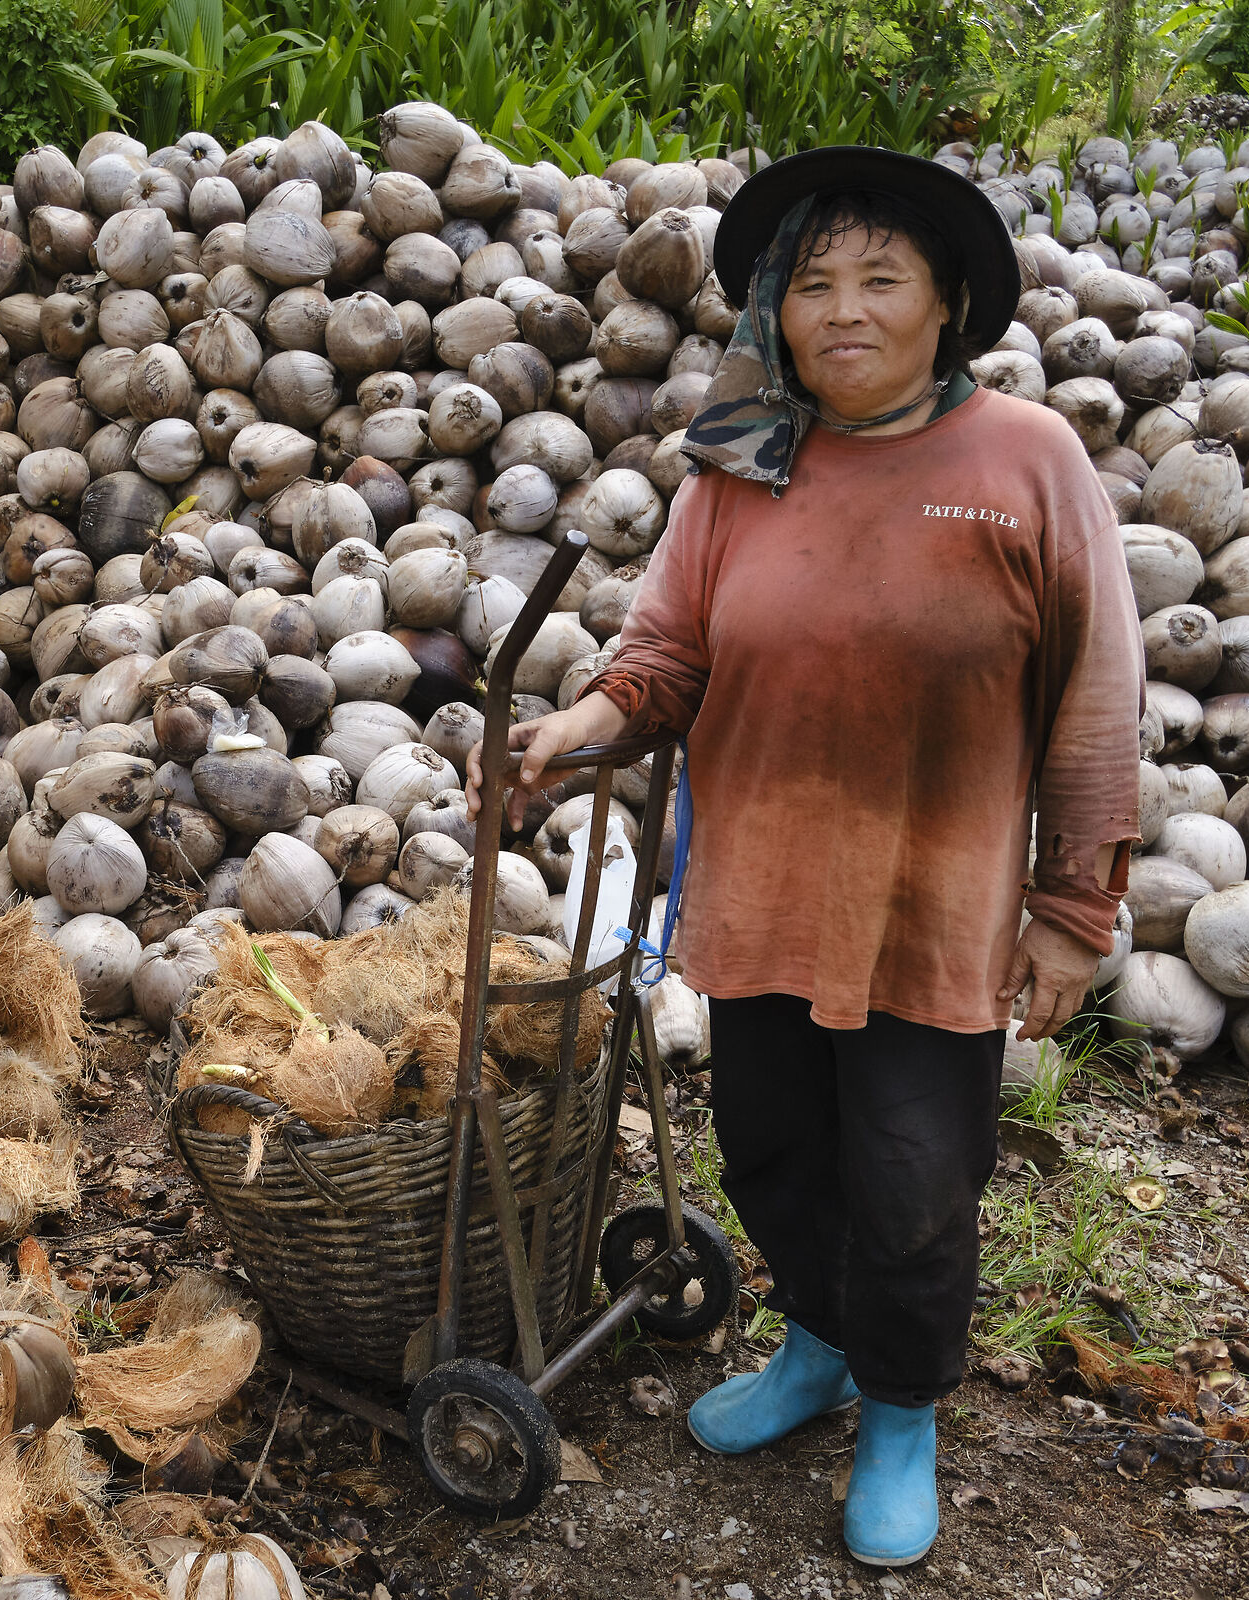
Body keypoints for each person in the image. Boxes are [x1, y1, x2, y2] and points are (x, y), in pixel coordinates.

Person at [467, 146, 1142, 1568]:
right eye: (815, 283)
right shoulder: (740, 469)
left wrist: (1074, 907)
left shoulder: (1030, 460)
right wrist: (577, 726)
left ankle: (903, 1411)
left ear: (948, 302)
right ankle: (819, 1351)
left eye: (881, 279)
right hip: (765, 889)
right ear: (776, 312)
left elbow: (1096, 698)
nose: (843, 309)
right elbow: (664, 656)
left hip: (933, 903)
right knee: (773, 1148)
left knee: (913, 1179)